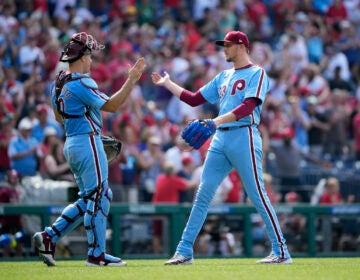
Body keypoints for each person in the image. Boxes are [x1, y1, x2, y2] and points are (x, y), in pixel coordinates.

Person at [152, 31, 292, 264]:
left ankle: (281, 251)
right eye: (223, 45)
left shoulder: (257, 73)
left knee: (257, 194)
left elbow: (248, 106)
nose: (224, 49)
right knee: (202, 194)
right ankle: (184, 250)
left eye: (227, 45)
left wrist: (214, 121)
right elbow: (194, 99)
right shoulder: (223, 76)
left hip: (244, 135)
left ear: (241, 46)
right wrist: (168, 84)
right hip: (220, 138)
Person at [32, 32, 145, 267]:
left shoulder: (58, 84)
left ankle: (49, 236)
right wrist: (132, 79)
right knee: (101, 196)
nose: (92, 61)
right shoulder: (82, 81)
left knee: (90, 197)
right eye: (91, 56)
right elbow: (112, 105)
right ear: (83, 56)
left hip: (71, 142)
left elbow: (59, 118)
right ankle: (96, 255)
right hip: (86, 142)